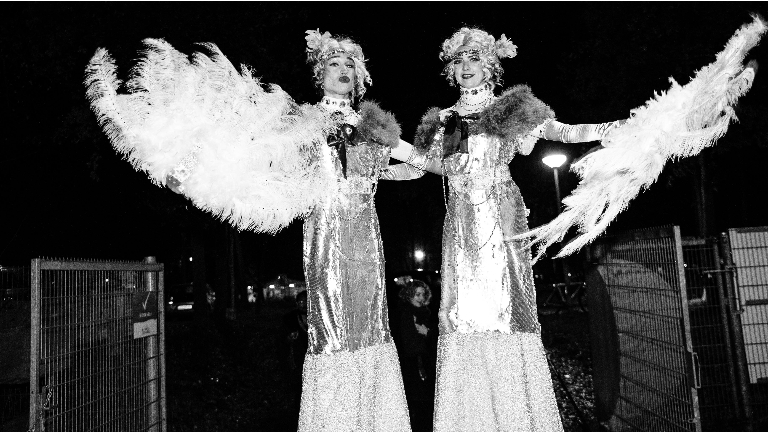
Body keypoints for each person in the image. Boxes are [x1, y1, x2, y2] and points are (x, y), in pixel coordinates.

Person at [393, 28, 627, 431]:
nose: (466, 67)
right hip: (461, 226)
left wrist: (616, 127)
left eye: (475, 59)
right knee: (463, 315)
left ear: (491, 66)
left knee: (505, 311)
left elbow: (563, 132)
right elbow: (423, 166)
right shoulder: (444, 120)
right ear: (451, 70)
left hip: (501, 219)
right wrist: (377, 165)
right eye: (459, 61)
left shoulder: (510, 108)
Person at [396, 279, 434, 432]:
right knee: (417, 402)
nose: (420, 298)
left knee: (425, 403)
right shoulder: (406, 313)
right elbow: (408, 342)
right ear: (409, 295)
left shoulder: (426, 313)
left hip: (424, 362)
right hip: (413, 363)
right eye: (417, 294)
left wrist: (428, 333)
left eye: (423, 294)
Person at [281, 290, 309, 414]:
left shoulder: (318, 318)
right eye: (300, 302)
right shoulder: (289, 319)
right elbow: (280, 340)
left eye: (305, 301)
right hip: (298, 360)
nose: (302, 304)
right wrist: (289, 338)